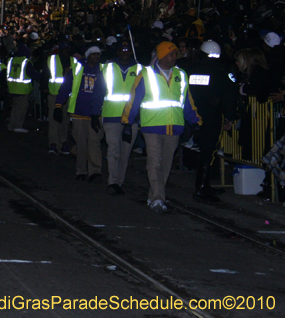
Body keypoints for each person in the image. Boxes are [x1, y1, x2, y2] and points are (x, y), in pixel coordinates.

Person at [122, 41, 202, 213]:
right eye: (172, 54)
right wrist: (127, 122)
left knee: (165, 165)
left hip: (174, 128)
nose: (175, 57)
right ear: (162, 55)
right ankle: (158, 199)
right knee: (154, 162)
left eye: (175, 54)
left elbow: (188, 101)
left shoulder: (181, 74)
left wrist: (196, 121)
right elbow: (133, 98)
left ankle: (154, 196)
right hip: (152, 127)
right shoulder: (146, 74)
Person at [186, 40, 238, 202]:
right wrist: (230, 116)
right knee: (208, 151)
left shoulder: (191, 70)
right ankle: (202, 188)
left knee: (202, 150)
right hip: (211, 117)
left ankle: (204, 185)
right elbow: (229, 96)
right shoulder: (220, 72)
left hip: (192, 116)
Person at [55, 46, 107, 182]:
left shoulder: (104, 69)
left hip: (98, 114)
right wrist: (58, 105)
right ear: (88, 55)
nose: (97, 56)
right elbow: (65, 87)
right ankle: (81, 171)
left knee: (94, 143)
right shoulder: (77, 69)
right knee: (81, 143)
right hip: (79, 113)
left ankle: (95, 172)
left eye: (98, 54)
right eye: (94, 54)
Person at [101, 40, 143, 195]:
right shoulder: (108, 68)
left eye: (127, 50)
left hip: (131, 119)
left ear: (131, 52)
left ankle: (119, 181)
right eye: (122, 50)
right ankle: (112, 182)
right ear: (117, 52)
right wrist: (94, 113)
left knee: (125, 152)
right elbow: (99, 90)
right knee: (113, 149)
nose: (125, 52)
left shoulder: (140, 69)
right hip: (111, 116)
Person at [43, 41, 79, 154]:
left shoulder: (74, 61)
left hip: (68, 96)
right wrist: (44, 90)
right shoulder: (52, 60)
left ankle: (63, 142)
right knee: (54, 120)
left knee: (65, 121)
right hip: (54, 93)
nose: (66, 52)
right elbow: (45, 74)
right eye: (64, 50)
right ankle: (53, 143)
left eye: (67, 50)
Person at [5, 45, 34, 133]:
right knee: (21, 109)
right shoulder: (26, 61)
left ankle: (11, 124)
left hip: (12, 88)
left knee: (15, 108)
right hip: (22, 89)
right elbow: (32, 74)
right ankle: (18, 125)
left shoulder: (11, 60)